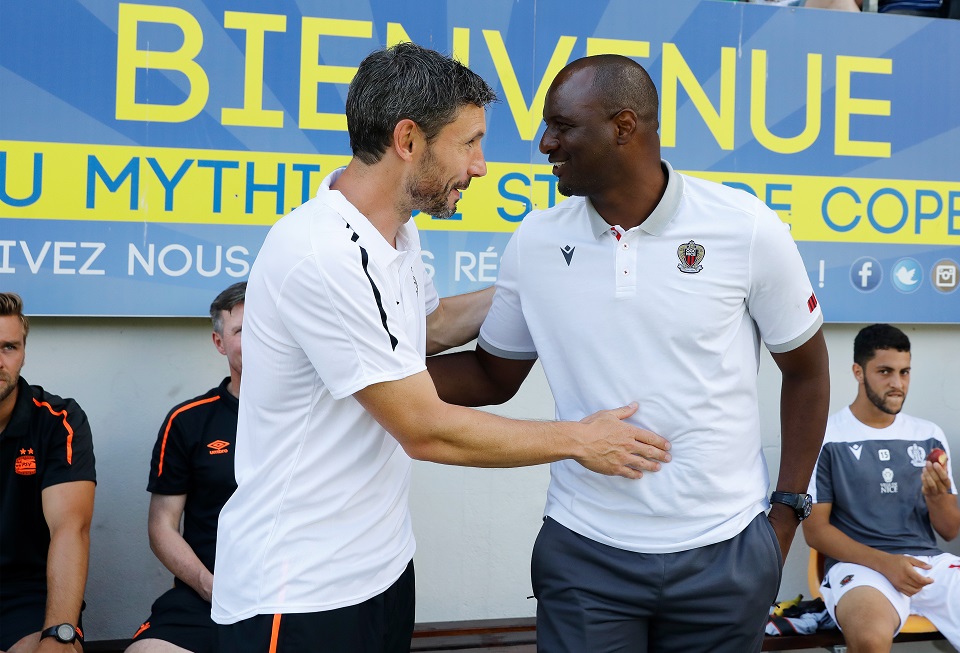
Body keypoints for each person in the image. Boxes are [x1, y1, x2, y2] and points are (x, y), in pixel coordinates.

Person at [210, 43, 669, 653]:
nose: (480, 166)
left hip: (380, 568)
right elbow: (425, 430)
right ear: (408, 140)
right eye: (469, 142)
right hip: (300, 590)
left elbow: (429, 326)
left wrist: (540, 281)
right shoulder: (323, 254)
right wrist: (582, 440)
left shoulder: (395, 229)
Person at [427, 54, 831, 653]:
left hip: (726, 555)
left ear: (623, 127)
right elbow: (492, 375)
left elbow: (807, 371)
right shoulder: (537, 240)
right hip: (586, 557)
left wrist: (787, 514)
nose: (545, 143)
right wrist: (375, 380)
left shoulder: (745, 228)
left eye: (563, 126)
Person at [803, 324, 960, 653]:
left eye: (904, 372)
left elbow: (949, 530)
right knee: (870, 640)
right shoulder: (826, 436)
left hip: (927, 564)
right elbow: (815, 532)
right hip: (861, 567)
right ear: (858, 372)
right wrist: (886, 563)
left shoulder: (928, 435)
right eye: (885, 372)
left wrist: (936, 498)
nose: (897, 384)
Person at [127, 282, 246, 653]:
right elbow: (162, 526)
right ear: (219, 343)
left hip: (301, 598)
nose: (258, 339)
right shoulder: (188, 420)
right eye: (242, 330)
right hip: (208, 596)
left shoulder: (316, 416)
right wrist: (209, 586)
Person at [0, 292, 96, 653]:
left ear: (24, 352)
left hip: (29, 593)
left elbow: (70, 529)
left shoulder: (59, 421)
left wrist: (57, 634)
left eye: (9, 347)